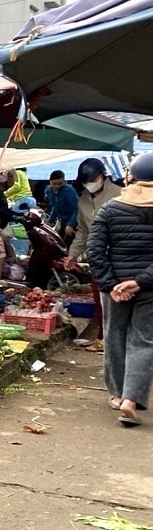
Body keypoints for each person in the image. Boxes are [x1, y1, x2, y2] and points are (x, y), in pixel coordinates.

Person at [88, 152, 153, 428]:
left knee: (115, 336)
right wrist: (140, 281)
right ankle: (131, 398)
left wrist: (111, 284)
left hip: (114, 287)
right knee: (144, 340)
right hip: (149, 286)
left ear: (131, 176)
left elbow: (94, 250)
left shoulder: (110, 208)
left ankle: (116, 395)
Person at [75, 157, 123, 263]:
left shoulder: (120, 194)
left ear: (103, 174)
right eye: (85, 182)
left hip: (119, 255)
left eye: (93, 180)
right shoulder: (83, 199)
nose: (89, 184)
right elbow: (83, 230)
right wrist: (73, 254)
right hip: (96, 255)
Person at [44, 169, 80, 241]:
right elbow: (55, 208)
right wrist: (48, 222)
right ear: (50, 181)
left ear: (64, 181)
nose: (57, 186)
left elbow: (78, 208)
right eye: (54, 184)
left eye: (60, 183)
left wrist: (71, 224)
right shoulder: (48, 191)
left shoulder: (69, 190)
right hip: (62, 222)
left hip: (75, 222)